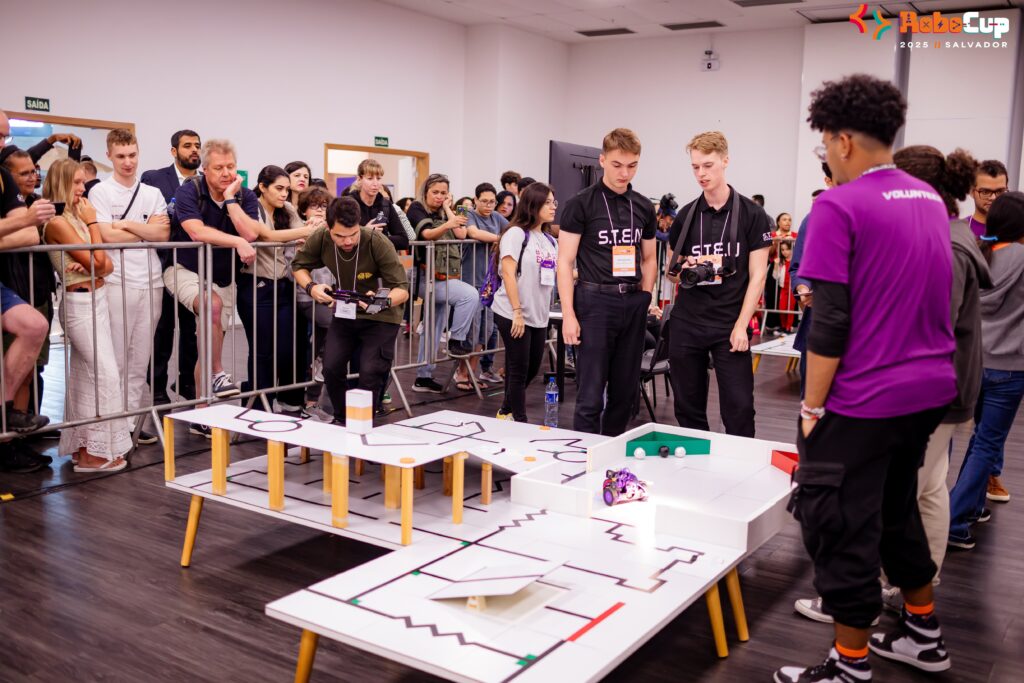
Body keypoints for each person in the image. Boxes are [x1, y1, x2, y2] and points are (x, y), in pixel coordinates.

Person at [775, 74, 957, 683]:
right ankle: (923, 634)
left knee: (839, 523)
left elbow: (829, 322)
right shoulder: (927, 198)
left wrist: (811, 408)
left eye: (826, 143)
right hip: (927, 392)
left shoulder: (838, 205)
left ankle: (848, 666)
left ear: (844, 140)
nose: (827, 155)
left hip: (864, 399)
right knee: (896, 508)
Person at [793, 145, 990, 623]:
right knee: (915, 494)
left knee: (887, 502)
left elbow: (921, 324)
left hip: (914, 393)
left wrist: (820, 404)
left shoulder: (943, 243)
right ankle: (910, 604)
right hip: (930, 390)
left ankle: (866, 611)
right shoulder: (941, 233)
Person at [665, 131, 771, 438]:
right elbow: (672, 273)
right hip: (688, 322)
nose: (701, 173)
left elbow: (758, 276)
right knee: (687, 406)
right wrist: (684, 269)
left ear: (725, 161)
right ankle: (699, 460)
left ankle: (740, 462)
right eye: (695, 167)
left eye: (708, 165)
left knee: (739, 408)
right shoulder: (686, 215)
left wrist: (741, 325)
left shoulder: (753, 215)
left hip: (730, 322)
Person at [557, 128, 658, 436]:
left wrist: (645, 296)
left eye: (632, 165)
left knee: (625, 393)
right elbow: (565, 261)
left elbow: (649, 258)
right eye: (617, 165)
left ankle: (612, 449)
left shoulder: (643, 206)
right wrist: (569, 315)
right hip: (595, 302)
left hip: (633, 302)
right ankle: (585, 453)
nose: (624, 173)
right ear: (602, 160)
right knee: (590, 394)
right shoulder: (580, 204)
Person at [43, 159, 133, 472]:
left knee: (85, 378)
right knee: (104, 375)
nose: (83, 189)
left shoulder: (75, 217)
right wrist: (94, 225)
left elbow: (104, 265)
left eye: (83, 182)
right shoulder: (58, 221)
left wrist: (95, 261)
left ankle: (85, 450)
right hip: (80, 305)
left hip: (96, 299)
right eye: (77, 183)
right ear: (62, 184)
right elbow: (98, 262)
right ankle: (95, 453)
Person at [165, 139, 259, 430]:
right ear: (204, 169)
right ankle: (218, 372)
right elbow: (195, 231)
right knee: (211, 304)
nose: (226, 173)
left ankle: (201, 410)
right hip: (184, 269)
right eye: (218, 168)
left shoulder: (244, 195)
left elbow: (250, 233)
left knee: (210, 340)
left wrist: (230, 200)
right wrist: (236, 242)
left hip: (224, 277)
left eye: (231, 166)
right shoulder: (189, 190)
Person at [948, 192, 1024, 549]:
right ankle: (953, 521)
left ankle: (971, 509)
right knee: (987, 443)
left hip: (971, 361)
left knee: (978, 441)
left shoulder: (976, 251)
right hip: (1009, 368)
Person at [291, 196, 409, 423]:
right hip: (346, 311)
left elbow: (402, 290)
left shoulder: (376, 241)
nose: (347, 241)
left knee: (370, 372)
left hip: (382, 315)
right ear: (328, 229)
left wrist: (381, 302)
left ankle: (363, 422)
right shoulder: (321, 237)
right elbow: (299, 266)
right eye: (340, 236)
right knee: (331, 367)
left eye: (353, 234)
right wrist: (312, 287)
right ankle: (343, 418)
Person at [89, 129, 171, 444]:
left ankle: (130, 424)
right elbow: (106, 236)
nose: (128, 162)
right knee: (118, 358)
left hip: (151, 281)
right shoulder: (100, 191)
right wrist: (144, 229)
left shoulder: (152, 193)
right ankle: (113, 422)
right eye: (121, 156)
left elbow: (163, 235)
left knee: (140, 359)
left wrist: (124, 224)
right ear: (109, 156)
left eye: (132, 155)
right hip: (116, 281)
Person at [237, 165, 315, 411]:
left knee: (284, 349)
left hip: (282, 286)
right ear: (262, 187)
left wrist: (309, 228)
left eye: (286, 190)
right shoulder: (251, 208)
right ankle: (258, 407)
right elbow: (265, 236)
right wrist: (305, 230)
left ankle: (274, 399)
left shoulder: (287, 209)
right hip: (255, 286)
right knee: (262, 351)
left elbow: (305, 234)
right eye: (279, 188)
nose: (284, 194)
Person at [0, 114, 53, 473]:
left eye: (4, 136)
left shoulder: (2, 177)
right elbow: (26, 223)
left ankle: (4, 413)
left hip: (16, 286)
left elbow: (31, 234)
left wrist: (20, 223)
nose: (2, 142)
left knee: (34, 326)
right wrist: (23, 220)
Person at [141, 129, 201, 406]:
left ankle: (188, 381)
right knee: (162, 331)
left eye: (197, 145)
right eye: (187, 146)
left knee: (192, 332)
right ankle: (157, 388)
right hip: (162, 263)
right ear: (174, 151)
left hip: (194, 266)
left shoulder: (204, 182)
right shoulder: (154, 179)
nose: (194, 150)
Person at [407, 174, 479, 393]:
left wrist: (448, 208)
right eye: (435, 192)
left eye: (443, 193)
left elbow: (461, 234)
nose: (439, 197)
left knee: (433, 327)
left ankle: (423, 376)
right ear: (426, 192)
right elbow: (427, 234)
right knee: (469, 295)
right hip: (424, 277)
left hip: (444, 276)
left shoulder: (446, 210)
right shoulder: (416, 209)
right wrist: (448, 222)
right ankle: (456, 341)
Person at [492, 183, 558, 422]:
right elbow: (508, 274)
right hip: (512, 312)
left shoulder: (549, 240)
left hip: (538, 313)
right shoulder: (516, 234)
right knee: (519, 370)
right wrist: (517, 312)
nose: (553, 207)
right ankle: (520, 421)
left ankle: (505, 411)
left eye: (554, 202)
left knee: (531, 368)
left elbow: (557, 273)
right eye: (547, 202)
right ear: (533, 205)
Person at [790, 163, 834, 396]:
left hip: (860, 329)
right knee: (813, 399)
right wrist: (803, 288)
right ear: (828, 181)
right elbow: (798, 266)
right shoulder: (814, 218)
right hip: (818, 323)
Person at [459, 182, 506, 389]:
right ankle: (461, 374)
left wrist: (502, 239)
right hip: (470, 281)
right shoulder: (469, 214)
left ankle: (471, 372)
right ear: (475, 200)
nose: (488, 205)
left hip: (490, 283)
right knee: (471, 330)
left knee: (484, 331)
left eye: (492, 202)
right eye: (484, 201)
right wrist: (500, 239)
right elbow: (474, 233)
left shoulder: (497, 217)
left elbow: (513, 231)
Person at [294, 187, 333, 420]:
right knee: (335, 325)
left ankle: (312, 400)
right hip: (306, 296)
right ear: (303, 210)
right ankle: (319, 364)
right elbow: (293, 267)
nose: (320, 211)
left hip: (329, 295)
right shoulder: (298, 231)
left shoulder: (332, 231)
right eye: (314, 206)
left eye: (324, 206)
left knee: (322, 340)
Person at [349, 159, 410, 251]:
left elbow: (403, 241)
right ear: (359, 179)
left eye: (378, 179)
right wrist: (365, 232)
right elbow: (342, 237)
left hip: (380, 258)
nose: (375, 183)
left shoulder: (386, 204)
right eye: (370, 178)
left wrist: (377, 238)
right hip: (356, 257)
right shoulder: (347, 204)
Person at [966, 159, 1008, 239]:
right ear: (971, 192)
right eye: (985, 192)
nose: (993, 198)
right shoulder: (959, 231)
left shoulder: (1017, 232)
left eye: (1000, 191)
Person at [773, 240, 795, 333]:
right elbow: (775, 276)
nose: (785, 252)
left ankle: (788, 327)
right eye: (782, 250)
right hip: (783, 288)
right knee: (782, 307)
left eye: (787, 249)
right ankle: (783, 326)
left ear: (792, 249)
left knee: (790, 308)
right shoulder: (781, 262)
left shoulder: (795, 261)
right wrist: (776, 265)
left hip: (792, 288)